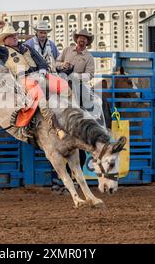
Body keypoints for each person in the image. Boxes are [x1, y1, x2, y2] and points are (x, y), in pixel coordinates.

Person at [0, 20, 69, 138]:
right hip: (24, 79)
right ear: (5, 40)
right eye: (11, 36)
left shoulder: (26, 47)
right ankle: (56, 127)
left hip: (40, 74)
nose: (15, 38)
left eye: (15, 35)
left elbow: (41, 61)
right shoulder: (3, 51)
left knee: (63, 85)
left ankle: (73, 113)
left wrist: (43, 69)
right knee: (39, 95)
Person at [53, 29, 97, 193]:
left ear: (87, 42)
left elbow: (90, 75)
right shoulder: (66, 51)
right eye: (80, 38)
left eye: (85, 39)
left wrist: (73, 75)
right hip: (62, 88)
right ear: (76, 39)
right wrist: (62, 66)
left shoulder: (88, 57)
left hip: (78, 90)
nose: (82, 40)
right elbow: (55, 64)